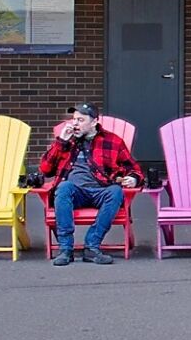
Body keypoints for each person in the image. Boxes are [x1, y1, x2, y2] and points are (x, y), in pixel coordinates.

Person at [37, 103, 144, 265]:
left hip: (101, 191)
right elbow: (45, 170)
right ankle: (66, 249)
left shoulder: (112, 141)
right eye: (74, 120)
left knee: (116, 191)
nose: (75, 124)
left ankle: (92, 247)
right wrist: (61, 142)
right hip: (75, 192)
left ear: (94, 122)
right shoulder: (66, 141)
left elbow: (134, 169)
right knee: (63, 187)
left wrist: (133, 178)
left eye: (81, 120)